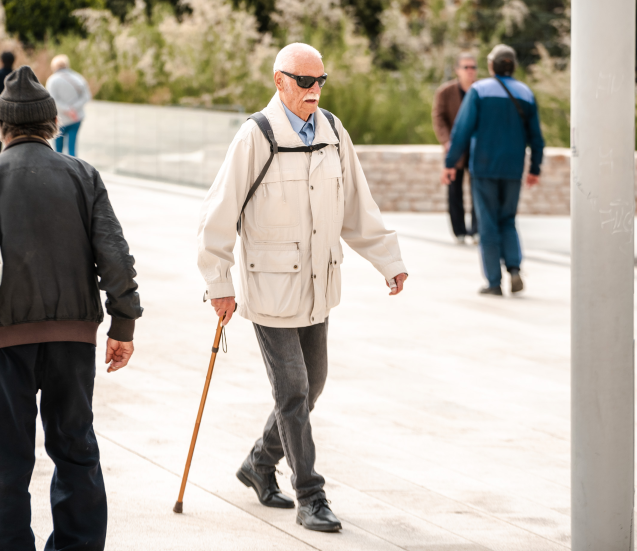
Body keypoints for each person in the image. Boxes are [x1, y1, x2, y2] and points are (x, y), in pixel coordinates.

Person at [197, 42, 408, 533]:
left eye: (320, 81)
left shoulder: (333, 132)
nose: (314, 91)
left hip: (319, 285)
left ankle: (258, 463)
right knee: (292, 390)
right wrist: (218, 283)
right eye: (304, 82)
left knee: (313, 386)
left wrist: (387, 260)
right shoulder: (255, 135)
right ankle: (310, 495)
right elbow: (217, 214)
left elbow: (357, 203)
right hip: (269, 289)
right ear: (280, 81)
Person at [0, 66, 141, 551]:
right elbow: (115, 252)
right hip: (73, 338)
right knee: (75, 452)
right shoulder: (82, 175)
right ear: (52, 126)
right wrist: (123, 323)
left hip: (5, 343)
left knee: (9, 460)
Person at [441, 44, 544, 296]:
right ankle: (515, 268)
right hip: (513, 168)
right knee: (508, 219)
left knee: (487, 222)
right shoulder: (526, 93)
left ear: (490, 66)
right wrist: (535, 167)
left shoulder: (479, 90)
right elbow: (537, 137)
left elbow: (461, 130)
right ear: (514, 66)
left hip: (484, 167)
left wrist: (450, 163)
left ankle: (494, 282)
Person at [433, 51, 480, 244]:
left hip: (478, 149)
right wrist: (447, 142)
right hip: (455, 149)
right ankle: (459, 232)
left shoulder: (481, 90)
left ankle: (477, 231)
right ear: (457, 70)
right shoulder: (446, 91)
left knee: (479, 191)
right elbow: (438, 118)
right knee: (454, 191)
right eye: (466, 67)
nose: (470, 71)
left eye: (473, 67)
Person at [45, 55, 92, 157]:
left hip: (59, 119)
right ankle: (74, 171)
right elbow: (87, 96)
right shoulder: (78, 78)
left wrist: (67, 110)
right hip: (76, 118)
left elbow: (52, 100)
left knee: (58, 151)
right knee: (72, 149)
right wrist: (73, 109)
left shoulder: (52, 80)